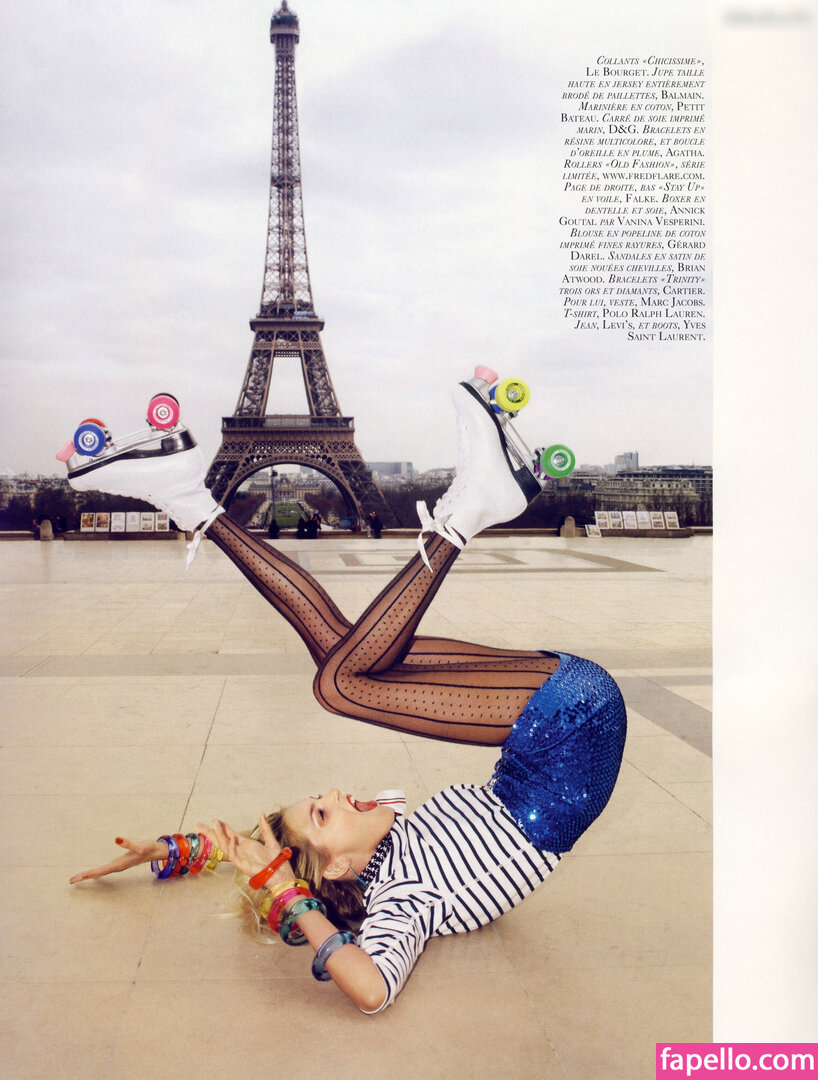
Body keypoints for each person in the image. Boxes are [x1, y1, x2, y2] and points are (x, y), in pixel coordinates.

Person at [64, 373, 626, 1014]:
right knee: (337, 686)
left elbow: (267, 843)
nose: (332, 794)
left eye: (317, 801)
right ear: (334, 870)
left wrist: (176, 849)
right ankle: (469, 508)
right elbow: (371, 989)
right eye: (323, 815)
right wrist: (284, 893)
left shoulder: (376, 846)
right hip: (569, 730)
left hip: (554, 718)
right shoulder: (402, 897)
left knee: (339, 655)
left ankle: (190, 499)